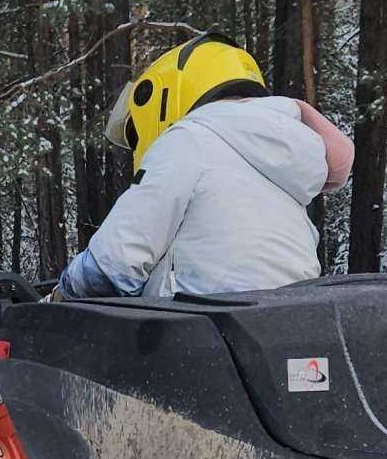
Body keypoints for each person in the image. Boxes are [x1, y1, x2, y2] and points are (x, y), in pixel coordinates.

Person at [57, 33, 353, 304]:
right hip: (284, 328)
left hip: (200, 329)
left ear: (165, 94)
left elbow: (115, 261)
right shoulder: (285, 165)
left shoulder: (189, 140)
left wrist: (58, 297)